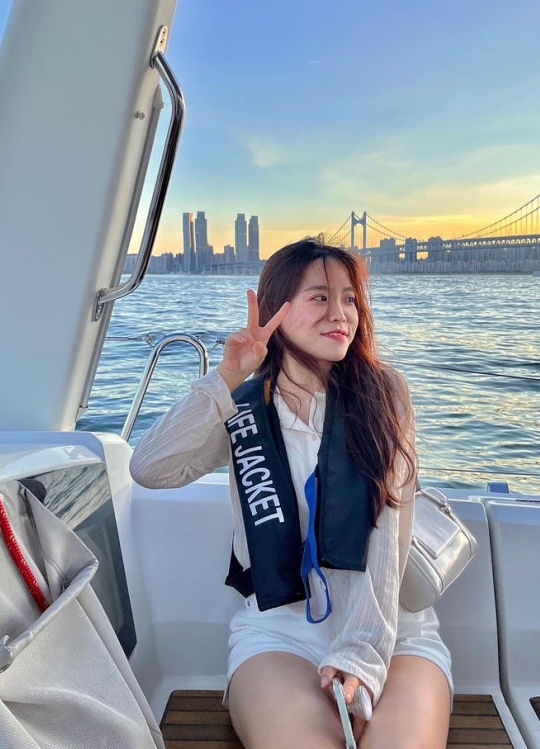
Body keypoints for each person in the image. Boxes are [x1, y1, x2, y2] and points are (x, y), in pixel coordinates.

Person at [130, 238, 452, 748]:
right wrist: (227, 376)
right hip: (280, 632)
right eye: (320, 297)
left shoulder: (384, 394)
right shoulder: (242, 406)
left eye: (350, 299)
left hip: (392, 631)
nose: (341, 313)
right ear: (276, 309)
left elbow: (389, 536)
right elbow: (150, 468)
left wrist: (363, 652)